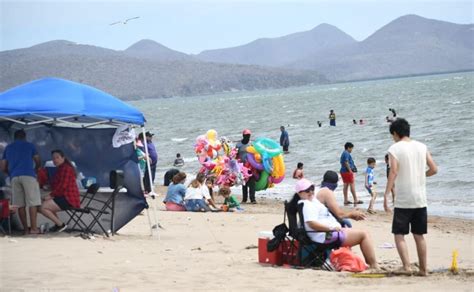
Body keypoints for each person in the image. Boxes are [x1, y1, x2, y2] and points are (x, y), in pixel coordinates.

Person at [384, 118, 437, 276]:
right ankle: (423, 269)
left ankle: (407, 266)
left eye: (392, 134)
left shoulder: (394, 148)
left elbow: (393, 171)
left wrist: (386, 193)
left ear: (395, 133)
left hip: (404, 199)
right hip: (420, 199)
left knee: (399, 234)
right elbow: (434, 169)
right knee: (419, 235)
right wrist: (421, 175)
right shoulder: (422, 146)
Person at [291, 178, 379, 270]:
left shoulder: (311, 201)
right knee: (364, 235)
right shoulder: (307, 204)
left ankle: (368, 263)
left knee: (361, 232)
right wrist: (330, 228)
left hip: (326, 234)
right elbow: (312, 224)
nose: (310, 192)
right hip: (326, 236)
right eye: (306, 190)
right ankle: (373, 265)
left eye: (312, 188)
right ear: (299, 193)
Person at [0, 130, 41, 234]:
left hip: (14, 177)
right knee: (32, 203)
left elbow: (3, 166)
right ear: (24, 137)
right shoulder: (30, 146)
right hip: (28, 175)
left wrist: (10, 173)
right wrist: (36, 169)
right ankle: (34, 229)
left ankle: (26, 230)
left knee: (20, 204)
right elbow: (37, 160)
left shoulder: (8, 148)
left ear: (14, 137)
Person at [39, 150, 80, 232]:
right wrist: (48, 186)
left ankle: (61, 225)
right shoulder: (60, 169)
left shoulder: (66, 169)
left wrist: (50, 195)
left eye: (57, 157)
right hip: (62, 197)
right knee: (41, 205)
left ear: (63, 158)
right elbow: (56, 185)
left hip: (69, 199)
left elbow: (62, 187)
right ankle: (58, 224)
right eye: (53, 158)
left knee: (42, 207)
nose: (55, 160)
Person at [236, 129, 256, 204]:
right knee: (244, 183)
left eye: (249, 135)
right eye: (247, 135)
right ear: (243, 136)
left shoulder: (251, 144)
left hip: (251, 165)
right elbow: (236, 155)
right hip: (242, 166)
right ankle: (244, 199)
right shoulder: (239, 145)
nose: (248, 137)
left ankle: (253, 199)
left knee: (252, 182)